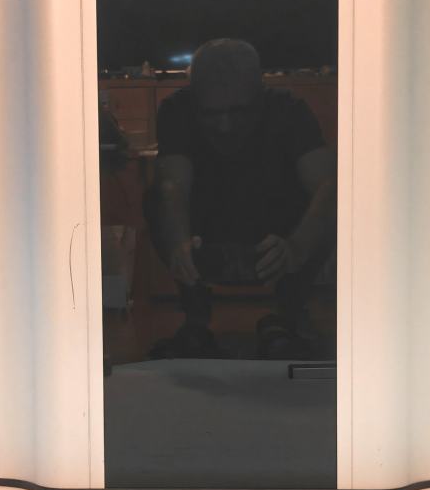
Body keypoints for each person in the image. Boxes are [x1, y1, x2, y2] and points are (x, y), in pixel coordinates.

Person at [144, 38, 336, 359]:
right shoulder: (177, 110)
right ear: (194, 98)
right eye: (211, 114)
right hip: (207, 236)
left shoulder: (289, 110)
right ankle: (196, 318)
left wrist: (298, 246)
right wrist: (178, 242)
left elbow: (329, 185)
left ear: (260, 93)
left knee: (334, 201)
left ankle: (287, 315)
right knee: (154, 199)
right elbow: (171, 185)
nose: (225, 125)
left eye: (239, 111)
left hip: (275, 235)